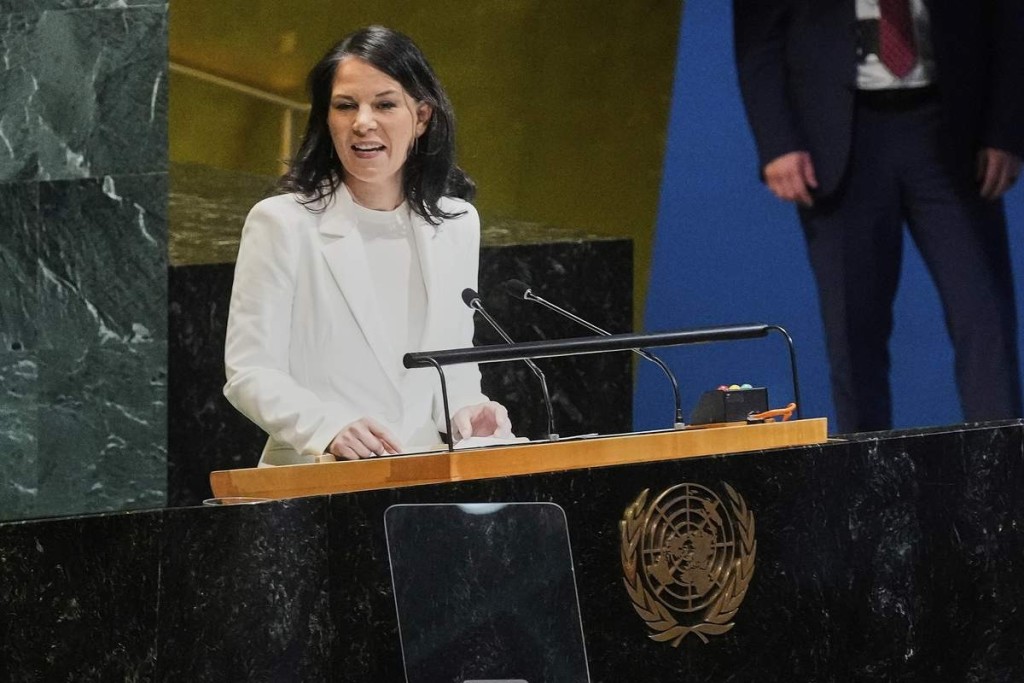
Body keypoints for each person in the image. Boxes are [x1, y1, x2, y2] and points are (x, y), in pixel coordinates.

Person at [224, 25, 513, 465]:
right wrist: (326, 426)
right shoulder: (282, 223)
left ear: (421, 117)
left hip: (420, 478)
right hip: (314, 482)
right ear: (327, 118)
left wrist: (469, 411)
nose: (362, 122)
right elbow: (249, 372)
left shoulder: (456, 224)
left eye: (384, 104)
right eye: (345, 106)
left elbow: (451, 366)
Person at [733, 0, 1024, 433]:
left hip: (951, 126)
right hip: (838, 137)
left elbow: (1008, 20)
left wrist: (1006, 129)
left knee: (986, 321)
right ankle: (869, 490)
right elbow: (757, 36)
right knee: (854, 337)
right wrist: (777, 141)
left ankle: (1003, 483)